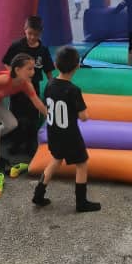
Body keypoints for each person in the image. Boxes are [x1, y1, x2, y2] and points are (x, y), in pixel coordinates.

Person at [32, 46, 101, 213]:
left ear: (55, 65)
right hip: (70, 135)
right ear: (77, 66)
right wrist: (84, 113)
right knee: (82, 164)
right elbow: (83, 116)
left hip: (53, 132)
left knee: (56, 160)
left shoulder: (49, 85)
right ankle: (81, 202)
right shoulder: (73, 90)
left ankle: (38, 194)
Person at [2, 15, 54, 154]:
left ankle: (31, 144)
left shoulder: (43, 50)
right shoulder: (17, 46)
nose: (32, 37)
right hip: (17, 88)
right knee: (16, 116)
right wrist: (15, 75)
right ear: (24, 30)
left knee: (32, 117)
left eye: (35, 35)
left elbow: (48, 70)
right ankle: (16, 143)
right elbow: (6, 62)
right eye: (29, 33)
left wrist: (52, 84)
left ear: (40, 33)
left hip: (33, 87)